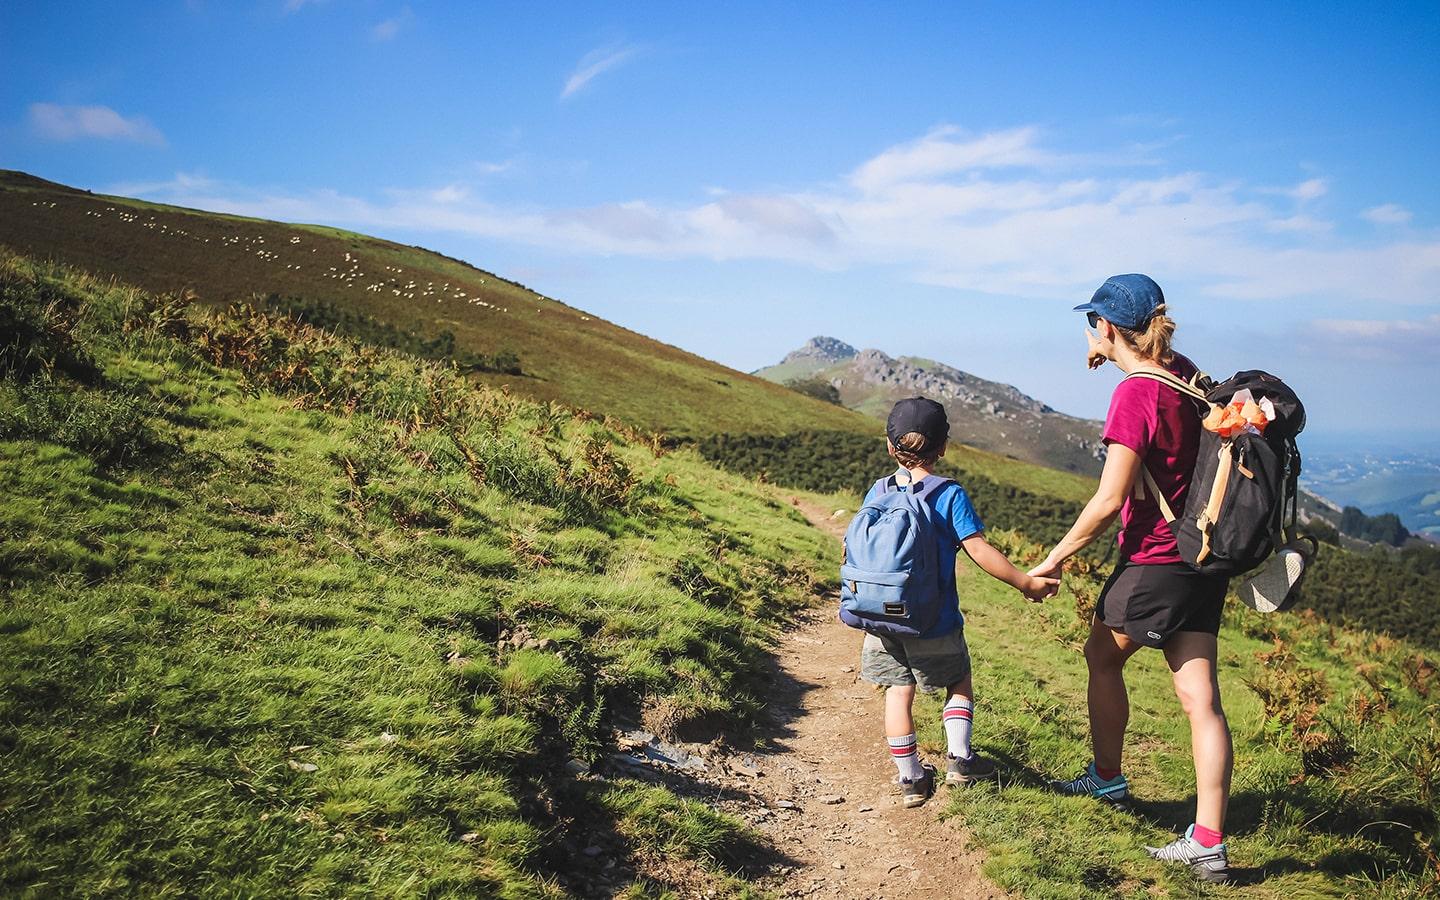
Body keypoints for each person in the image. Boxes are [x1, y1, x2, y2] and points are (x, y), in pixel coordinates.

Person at [1027, 274, 1233, 883]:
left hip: (1157, 558)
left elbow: (1109, 500)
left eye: (1095, 324)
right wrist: (1112, 353)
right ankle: (1209, 843)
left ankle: (1107, 780)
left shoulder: (1133, 397)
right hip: (1204, 556)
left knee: (1100, 655)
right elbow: (1154, 386)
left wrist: (1054, 558)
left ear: (1109, 326)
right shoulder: (1183, 372)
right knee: (1203, 701)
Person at [849, 397, 1059, 808]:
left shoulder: (878, 489)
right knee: (958, 680)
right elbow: (978, 549)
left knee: (897, 690)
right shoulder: (948, 493)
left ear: (890, 446)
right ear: (943, 446)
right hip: (933, 618)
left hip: (879, 617)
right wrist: (1024, 582)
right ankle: (960, 759)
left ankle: (910, 778)